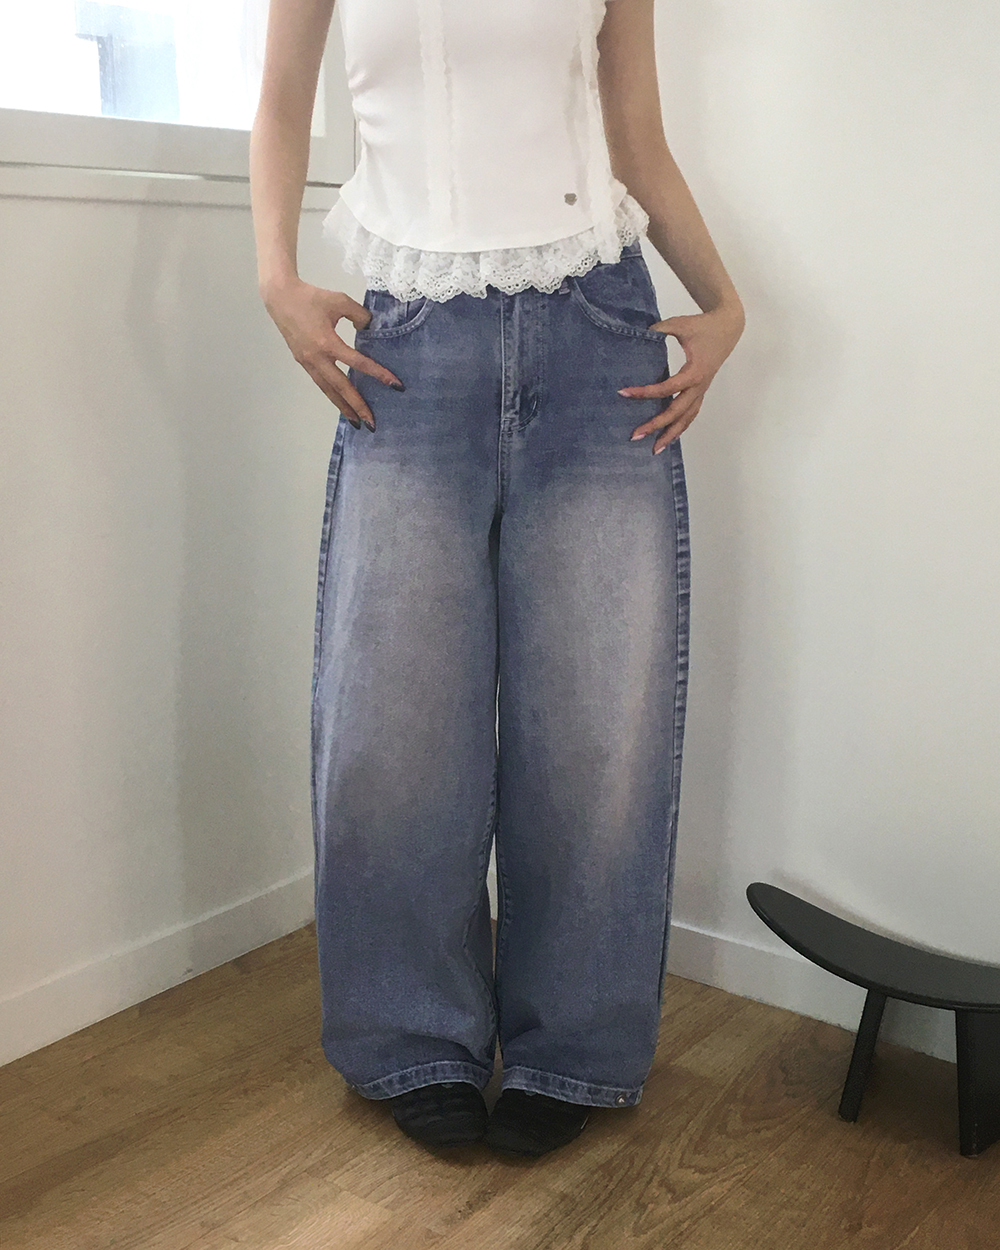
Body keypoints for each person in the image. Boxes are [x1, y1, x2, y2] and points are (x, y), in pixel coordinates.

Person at [250, 0, 744, 1159]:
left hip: (597, 325)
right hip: (408, 337)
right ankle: (411, 1034)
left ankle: (573, 1043)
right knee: (392, 716)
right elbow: (278, 103)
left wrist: (723, 301)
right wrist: (275, 277)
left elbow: (636, 137)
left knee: (596, 716)